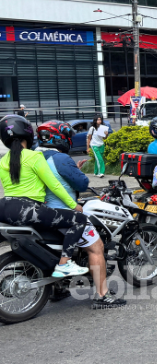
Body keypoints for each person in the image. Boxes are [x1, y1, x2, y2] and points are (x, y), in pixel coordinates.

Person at [35, 121, 124, 308]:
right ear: (60, 138)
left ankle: (58, 288)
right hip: (64, 213)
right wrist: (77, 171)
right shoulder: (60, 158)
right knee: (96, 247)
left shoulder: (34, 155)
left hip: (39, 213)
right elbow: (82, 184)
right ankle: (102, 296)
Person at [0, 117, 92, 283]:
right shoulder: (35, 156)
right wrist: (74, 205)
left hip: (5, 207)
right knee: (80, 220)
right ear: (27, 134)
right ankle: (64, 263)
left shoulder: (3, 160)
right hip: (28, 210)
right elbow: (54, 185)